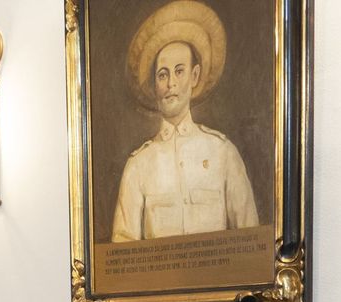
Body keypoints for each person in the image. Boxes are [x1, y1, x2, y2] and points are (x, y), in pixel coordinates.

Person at [111, 1, 260, 243]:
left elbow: (251, 243)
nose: (171, 84)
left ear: (195, 76)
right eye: (163, 74)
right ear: (154, 85)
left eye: (179, 71)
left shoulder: (223, 153)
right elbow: (122, 254)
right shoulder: (138, 166)